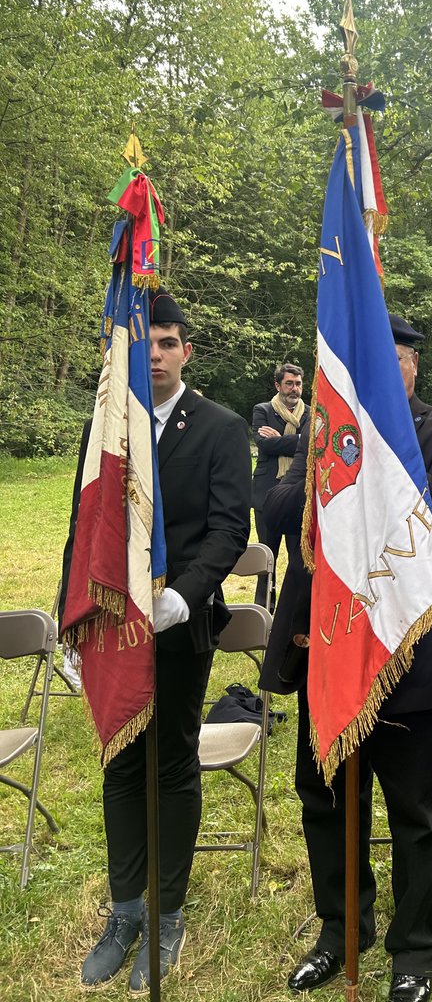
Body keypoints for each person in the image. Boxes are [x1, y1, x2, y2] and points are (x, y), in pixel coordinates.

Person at [260, 313, 432, 1002]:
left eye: (398, 359)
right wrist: (329, 466)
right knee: (326, 800)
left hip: (407, 650)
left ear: (412, 366)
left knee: (412, 811)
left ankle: (414, 949)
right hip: (329, 647)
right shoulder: (327, 434)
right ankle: (339, 931)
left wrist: (379, 459)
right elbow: (279, 510)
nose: (387, 369)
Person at [62, 289, 251, 992]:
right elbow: (83, 529)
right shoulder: (107, 428)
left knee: (170, 763)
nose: (159, 355)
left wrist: (183, 595)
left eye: (169, 342)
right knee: (118, 763)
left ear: (186, 351)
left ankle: (167, 914)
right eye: (148, 344)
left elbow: (232, 527)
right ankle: (124, 912)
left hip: (178, 625)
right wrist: (69, 618)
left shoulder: (220, 426)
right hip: (112, 630)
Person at [252, 363, 308, 607]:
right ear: (278, 385)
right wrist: (298, 441)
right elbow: (264, 445)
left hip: (298, 495)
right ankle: (265, 608)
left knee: (300, 557)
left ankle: (294, 609)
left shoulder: (311, 413)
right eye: (289, 383)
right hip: (266, 494)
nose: (294, 389)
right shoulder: (262, 410)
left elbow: (315, 446)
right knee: (267, 558)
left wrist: (281, 440)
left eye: (298, 384)